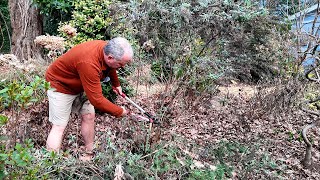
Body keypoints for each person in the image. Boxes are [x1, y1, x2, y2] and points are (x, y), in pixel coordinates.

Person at [45, 37, 133, 161]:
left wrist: (116, 83)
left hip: (82, 84)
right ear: (110, 57)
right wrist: (119, 111)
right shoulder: (89, 63)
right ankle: (50, 163)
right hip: (61, 85)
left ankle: (89, 153)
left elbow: (111, 67)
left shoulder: (107, 49)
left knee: (89, 116)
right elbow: (97, 100)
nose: (121, 67)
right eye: (121, 64)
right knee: (59, 126)